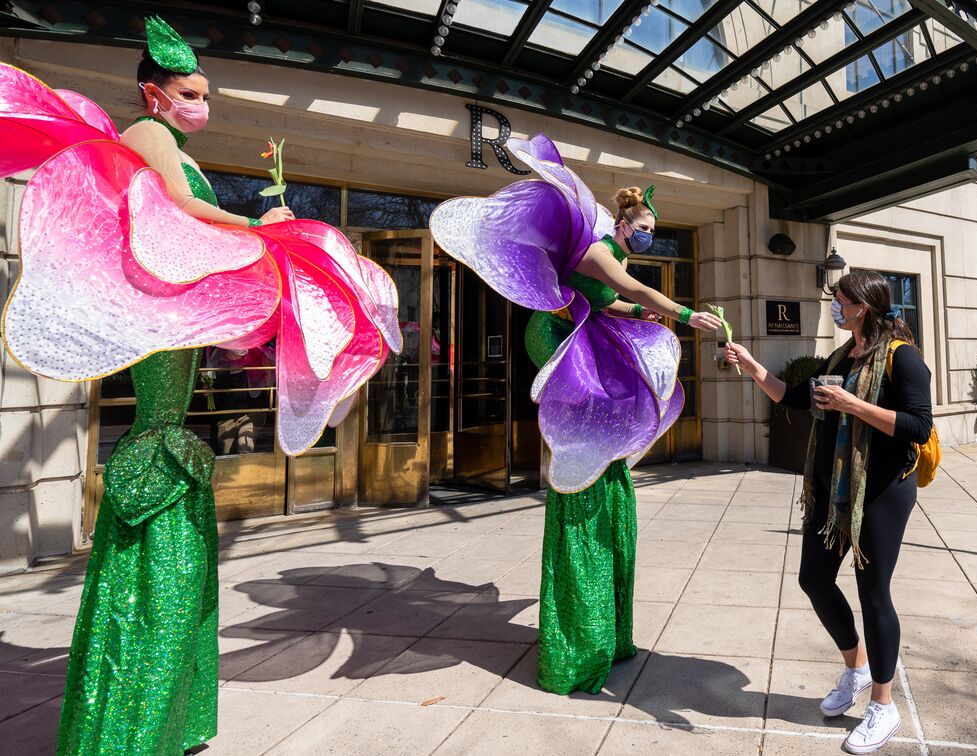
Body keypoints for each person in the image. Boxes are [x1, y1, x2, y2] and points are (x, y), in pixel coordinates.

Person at [0, 17, 400, 754]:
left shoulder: (174, 145)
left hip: (175, 351)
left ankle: (163, 714)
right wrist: (262, 225)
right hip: (161, 357)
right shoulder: (151, 136)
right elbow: (179, 215)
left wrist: (261, 234)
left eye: (204, 93)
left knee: (177, 558)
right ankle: (137, 723)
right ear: (156, 93)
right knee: (165, 560)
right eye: (191, 93)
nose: (200, 104)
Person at [431, 137, 722, 695]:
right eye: (644, 224)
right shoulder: (598, 246)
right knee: (587, 440)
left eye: (653, 227)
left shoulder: (606, 254)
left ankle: (594, 465)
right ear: (624, 218)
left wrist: (643, 315)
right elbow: (628, 285)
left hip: (579, 328)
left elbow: (615, 299)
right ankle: (579, 640)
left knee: (605, 448)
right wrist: (685, 313)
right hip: (560, 339)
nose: (650, 233)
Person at [725, 270, 932, 754]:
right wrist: (754, 366)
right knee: (814, 579)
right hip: (830, 492)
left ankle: (883, 704)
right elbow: (796, 398)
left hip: (879, 491)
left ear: (863, 305)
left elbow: (918, 426)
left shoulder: (903, 359)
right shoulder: (842, 355)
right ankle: (856, 666)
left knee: (873, 593)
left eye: (839, 300)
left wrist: (851, 404)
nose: (835, 307)